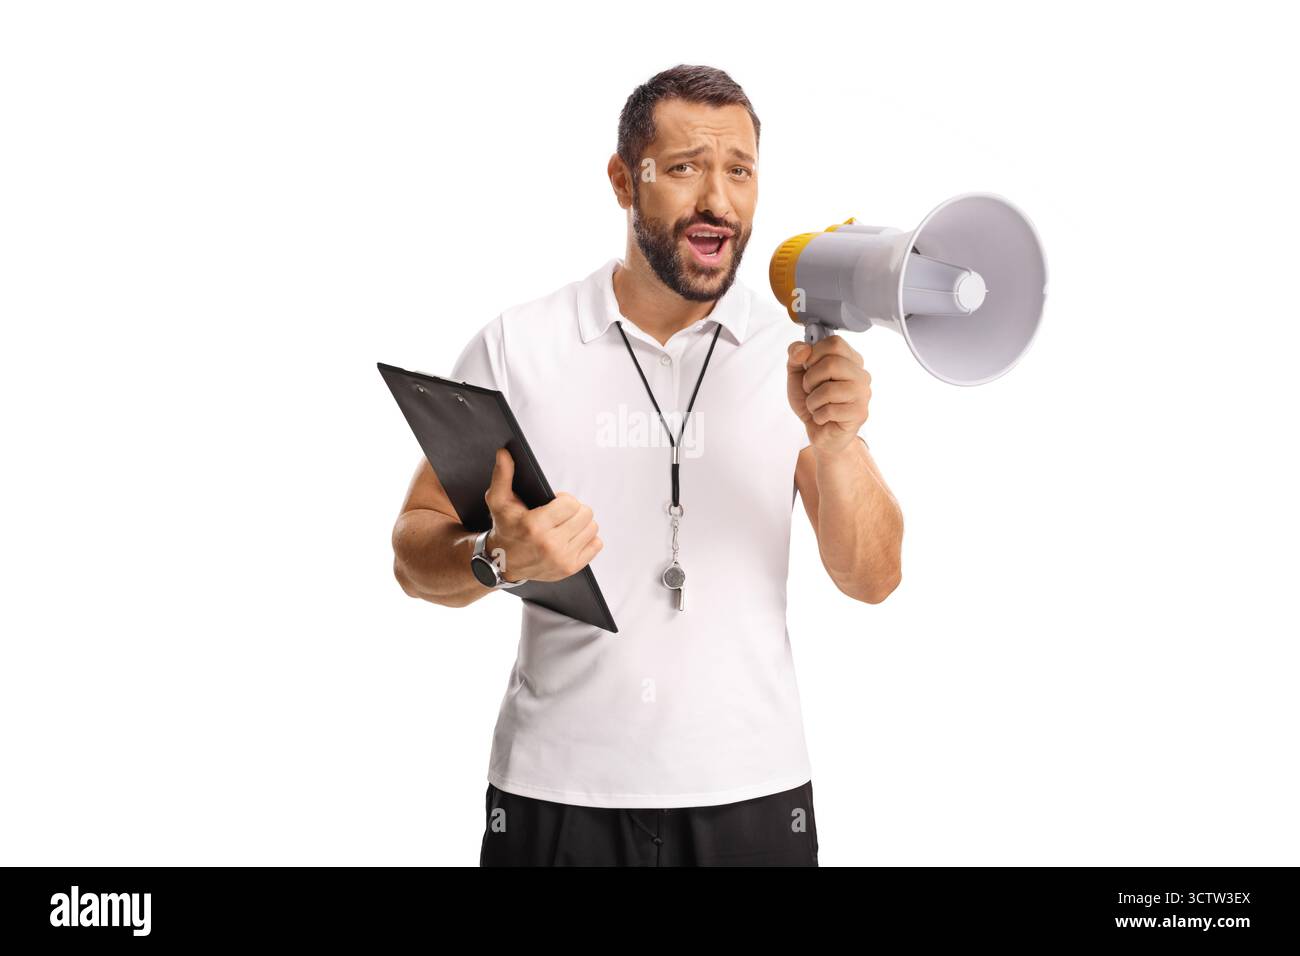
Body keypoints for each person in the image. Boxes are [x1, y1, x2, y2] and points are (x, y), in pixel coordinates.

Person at [391, 64, 904, 866]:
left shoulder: (795, 352)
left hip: (753, 789)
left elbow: (874, 577)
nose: (718, 200)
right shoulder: (518, 346)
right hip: (558, 794)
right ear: (623, 180)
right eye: (686, 167)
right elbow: (412, 552)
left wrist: (834, 447)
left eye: (738, 170)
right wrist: (494, 558)